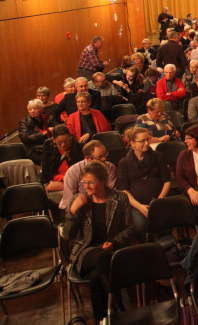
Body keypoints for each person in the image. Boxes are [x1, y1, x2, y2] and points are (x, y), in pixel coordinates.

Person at [65, 161, 137, 323]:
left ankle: (103, 319)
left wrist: (113, 242)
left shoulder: (120, 198)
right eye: (84, 182)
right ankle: (119, 308)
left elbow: (130, 229)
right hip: (86, 252)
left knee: (97, 275)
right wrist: (72, 211)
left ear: (103, 181)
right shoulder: (79, 200)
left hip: (113, 250)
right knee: (102, 259)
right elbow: (68, 235)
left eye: (91, 182)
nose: (86, 187)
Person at [116, 127, 171, 234]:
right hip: (137, 204)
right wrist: (140, 207)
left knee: (165, 221)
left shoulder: (158, 156)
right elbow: (124, 190)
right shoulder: (124, 163)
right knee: (140, 225)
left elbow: (167, 181)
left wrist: (160, 199)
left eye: (148, 139)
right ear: (132, 143)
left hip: (159, 200)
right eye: (142, 141)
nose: (146, 143)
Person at [41, 125, 82, 204]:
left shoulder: (78, 147)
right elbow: (46, 172)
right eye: (59, 143)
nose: (63, 145)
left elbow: (79, 171)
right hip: (54, 181)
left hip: (73, 181)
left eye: (66, 141)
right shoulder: (49, 147)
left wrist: (68, 156)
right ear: (54, 140)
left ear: (70, 137)